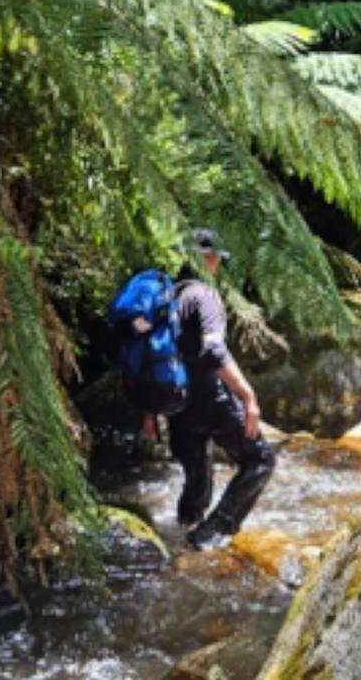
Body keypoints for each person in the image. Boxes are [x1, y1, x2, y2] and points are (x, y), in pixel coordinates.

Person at [145, 228, 275, 551]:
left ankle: (184, 532)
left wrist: (149, 412)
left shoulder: (166, 297)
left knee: (198, 474)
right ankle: (211, 534)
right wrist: (248, 396)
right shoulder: (204, 296)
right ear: (205, 258)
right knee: (260, 460)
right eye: (215, 257)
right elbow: (214, 351)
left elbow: (149, 356)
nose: (217, 263)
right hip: (208, 397)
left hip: (175, 404)